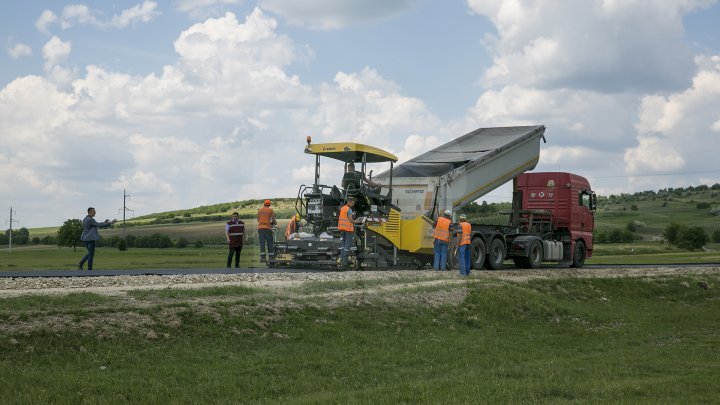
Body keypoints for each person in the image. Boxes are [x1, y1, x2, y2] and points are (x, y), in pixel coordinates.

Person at [338, 197, 361, 268]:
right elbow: (351, 220)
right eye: (353, 203)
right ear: (349, 202)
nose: (353, 204)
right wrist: (358, 221)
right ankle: (344, 261)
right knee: (348, 244)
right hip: (348, 228)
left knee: (343, 244)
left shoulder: (343, 208)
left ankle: (342, 259)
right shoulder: (349, 209)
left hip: (342, 228)